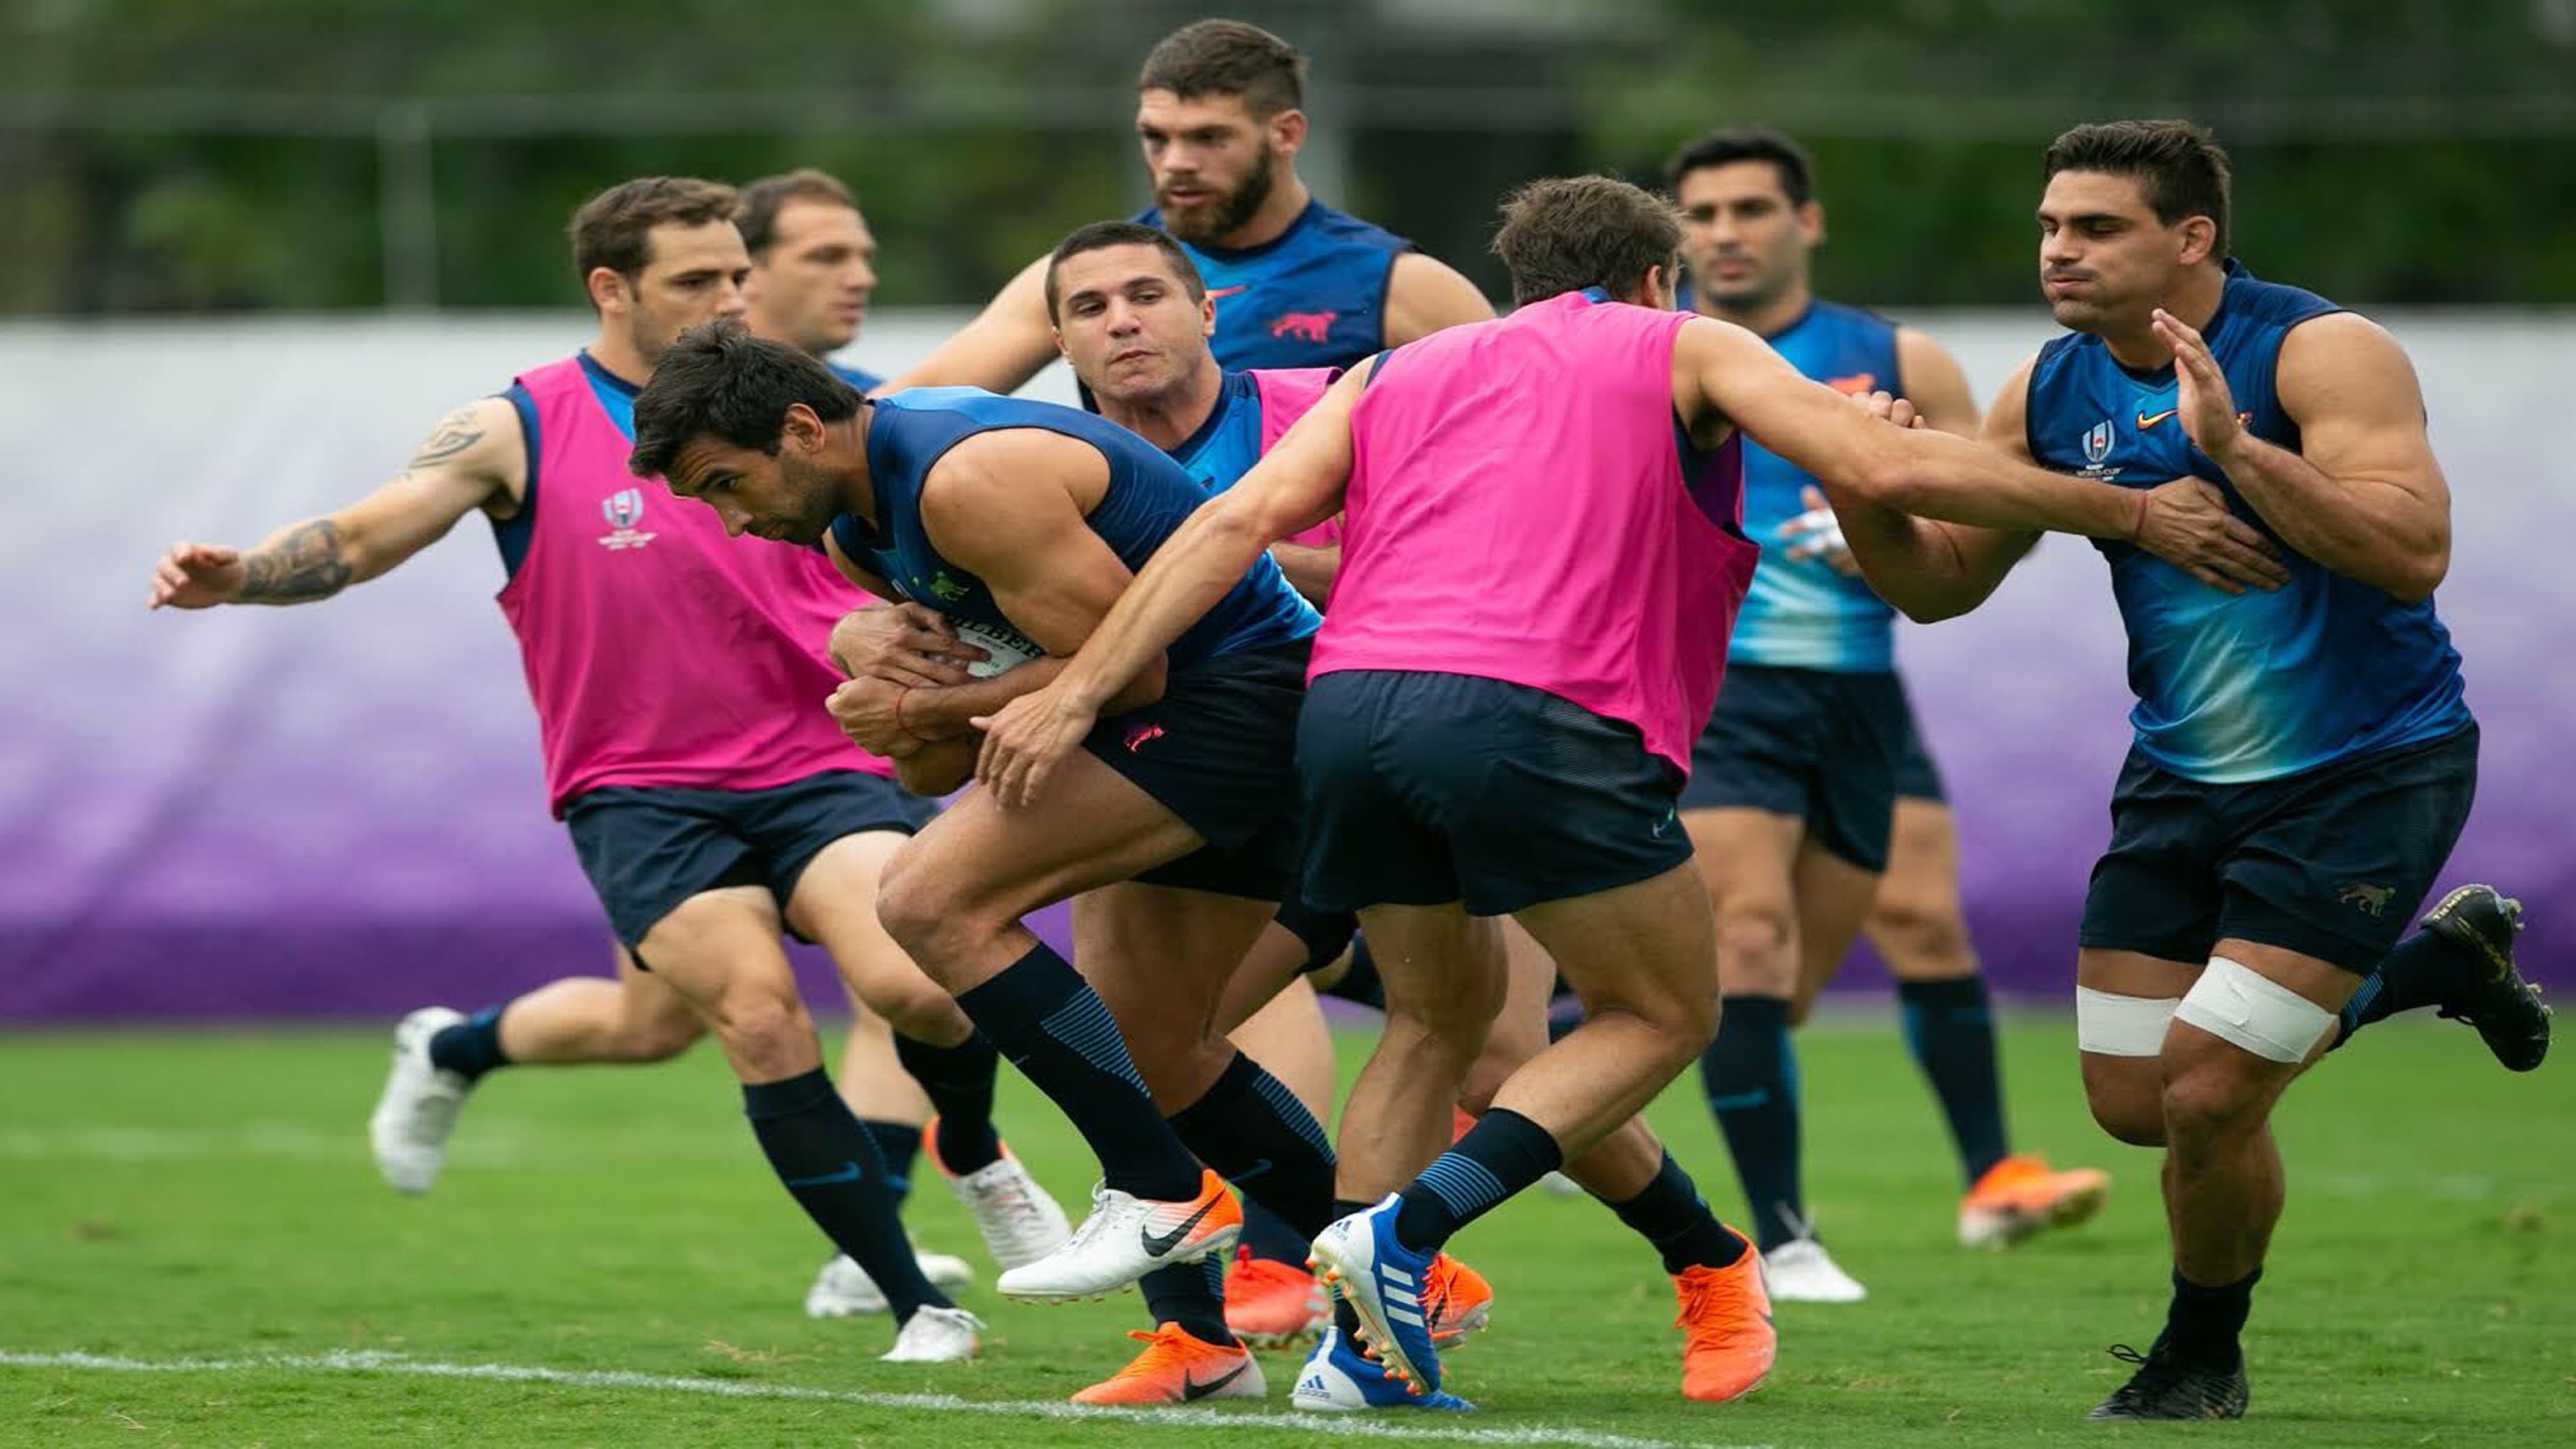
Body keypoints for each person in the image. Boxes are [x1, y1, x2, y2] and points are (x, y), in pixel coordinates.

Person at [145, 176, 1068, 1365]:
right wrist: (243, 575)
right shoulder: (516, 425)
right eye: (697, 282)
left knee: (923, 985)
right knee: (749, 1012)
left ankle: (980, 1156)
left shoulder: (802, 406)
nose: (729, 301)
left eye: (739, 275)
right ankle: (910, 1302)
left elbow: (975, 378)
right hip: (642, 791)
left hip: (820, 759)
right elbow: (367, 533)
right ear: (611, 287)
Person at [1793, 119, 2552, 1420]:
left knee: (2207, 1088)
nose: (2057, 251)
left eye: (2093, 228)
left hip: (2367, 769)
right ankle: (2428, 965)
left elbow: (2413, 550)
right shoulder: (2048, 387)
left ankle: (2197, 1355)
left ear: (2187, 239)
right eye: (2048, 227)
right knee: (2135, 1105)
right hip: (2180, 783)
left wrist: (2239, 452)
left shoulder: (2318, 349)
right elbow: (1938, 590)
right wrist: (1860, 477)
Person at [627, 321, 1359, 1407]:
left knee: (927, 896)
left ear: (799, 428)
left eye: (729, 485)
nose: (735, 523)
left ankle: (1156, 1187)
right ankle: (1363, 1278)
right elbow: (937, 766)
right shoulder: (856, 534)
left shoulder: (964, 478)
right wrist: (892, 702)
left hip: (1241, 702)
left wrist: (919, 704)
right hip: (1182, 720)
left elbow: (1137, 669)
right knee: (1157, 1047)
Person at [1663, 127, 2109, 1299]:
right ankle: (1779, 1237)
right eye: (1699, 213)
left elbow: (1970, 510)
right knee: (1747, 938)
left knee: (1884, 935)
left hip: (1860, 688)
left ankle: (1991, 1175)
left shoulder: (1893, 354)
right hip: (1720, 688)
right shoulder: (1654, 354)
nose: (1722, 232)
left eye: (1748, 208)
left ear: (1802, 223)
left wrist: (1888, 537)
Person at [733, 165, 1015, 1320]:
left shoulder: (859, 417)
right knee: (650, 1021)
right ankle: (457, 1048)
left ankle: (889, 1228)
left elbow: (1003, 348)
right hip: (696, 779)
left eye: (864, 255)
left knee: (905, 977)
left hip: (845, 756)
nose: (859, 275)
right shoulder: (654, 421)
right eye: (826, 256)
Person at [889, 18, 1490, 394]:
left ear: (1285, 134)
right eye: (1157, 137)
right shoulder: (1087, 276)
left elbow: (1531, 434)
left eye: (1208, 138)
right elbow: (910, 408)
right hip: (1137, 584)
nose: (1176, 161)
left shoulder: (1396, 285)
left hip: (1318, 592)